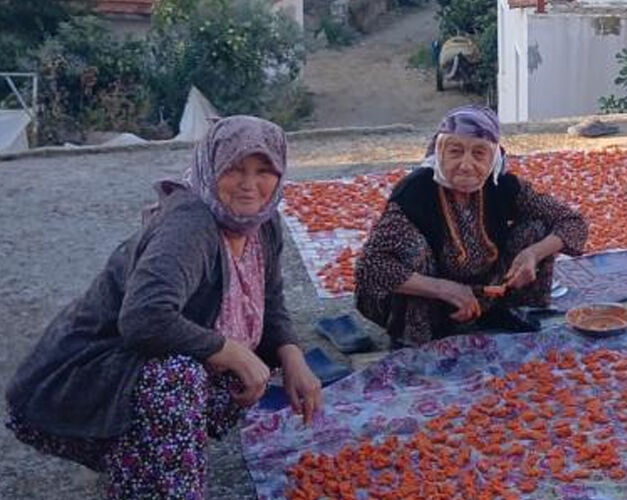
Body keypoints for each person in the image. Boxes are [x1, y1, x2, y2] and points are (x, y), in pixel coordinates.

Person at [5, 115, 322, 499]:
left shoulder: (262, 225)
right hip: (84, 376)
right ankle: (149, 470)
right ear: (210, 166)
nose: (249, 185)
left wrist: (293, 357)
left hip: (138, 363)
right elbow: (143, 317)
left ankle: (145, 455)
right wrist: (233, 351)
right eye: (234, 169)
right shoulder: (191, 225)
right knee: (178, 377)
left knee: (240, 365)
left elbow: (269, 301)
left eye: (264, 170)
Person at [355, 105, 588, 348]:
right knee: (411, 246)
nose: (466, 165)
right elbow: (370, 266)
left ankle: (499, 311)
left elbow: (573, 222)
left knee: (537, 229)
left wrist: (533, 254)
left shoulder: (503, 185)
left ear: (494, 158)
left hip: (487, 289)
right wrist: (443, 289)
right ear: (439, 152)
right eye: (455, 152)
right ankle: (414, 334)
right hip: (428, 297)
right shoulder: (415, 191)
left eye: (479, 154)